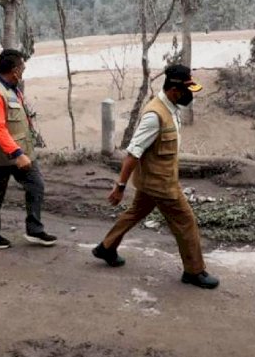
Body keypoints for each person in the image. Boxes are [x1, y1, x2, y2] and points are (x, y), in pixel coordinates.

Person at [92, 64, 220, 289]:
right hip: (161, 185)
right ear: (174, 90)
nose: (189, 96)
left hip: (152, 181)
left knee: (135, 212)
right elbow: (132, 153)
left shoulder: (170, 108)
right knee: (186, 222)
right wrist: (120, 186)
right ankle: (194, 271)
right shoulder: (154, 115)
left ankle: (106, 247)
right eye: (186, 91)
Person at [0, 49, 57, 249]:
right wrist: (17, 154)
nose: (23, 70)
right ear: (15, 71)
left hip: (22, 153)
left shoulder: (13, 89)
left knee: (36, 186)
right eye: (22, 67)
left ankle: (35, 230)